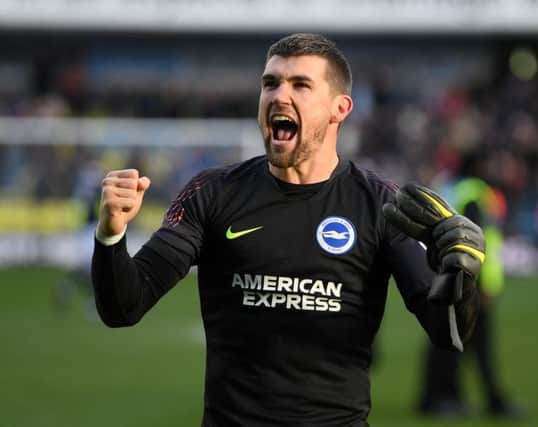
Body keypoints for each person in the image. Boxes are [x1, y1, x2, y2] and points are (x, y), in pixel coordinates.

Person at [91, 33, 485, 426]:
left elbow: (448, 332)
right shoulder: (211, 193)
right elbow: (124, 307)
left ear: (340, 108)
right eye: (270, 83)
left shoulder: (381, 204)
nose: (279, 96)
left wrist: (460, 274)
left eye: (300, 85)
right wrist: (111, 234)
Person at [417, 152, 526, 419]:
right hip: (469, 280)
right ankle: (488, 401)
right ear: (479, 165)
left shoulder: (450, 189)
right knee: (476, 344)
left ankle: (438, 398)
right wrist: (477, 284)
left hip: (444, 273)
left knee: (446, 340)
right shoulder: (477, 192)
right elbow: (472, 241)